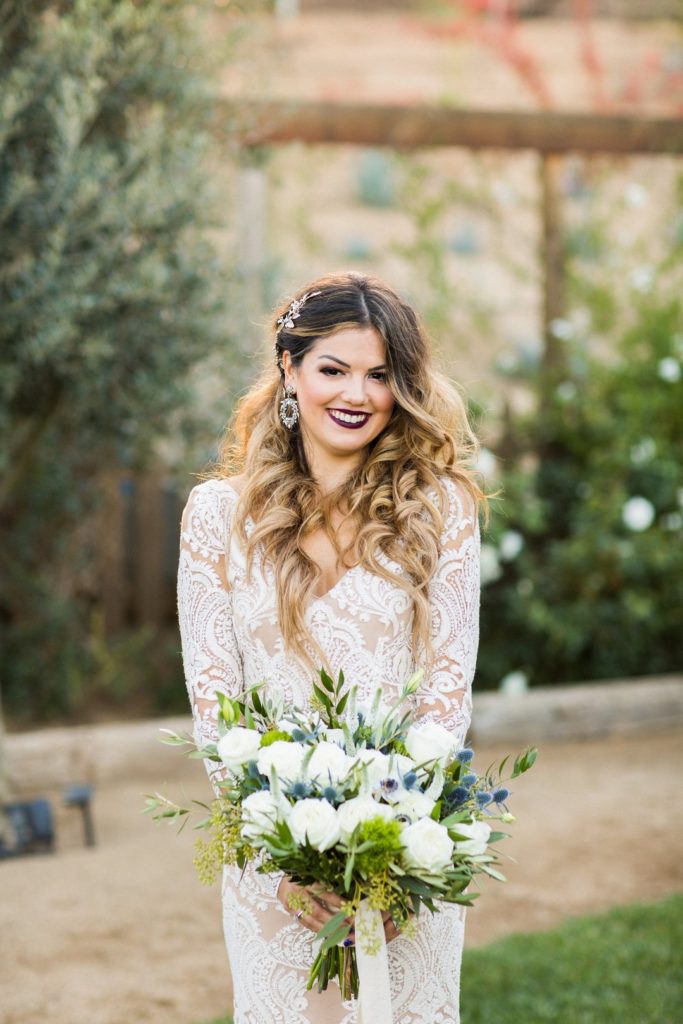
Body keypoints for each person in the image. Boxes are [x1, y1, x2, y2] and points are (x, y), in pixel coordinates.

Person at [177, 271, 486, 1024]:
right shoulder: (218, 516)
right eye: (333, 369)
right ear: (289, 369)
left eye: (380, 374)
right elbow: (215, 706)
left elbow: (446, 692)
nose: (357, 394)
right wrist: (285, 858)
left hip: (404, 859)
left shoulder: (439, 509)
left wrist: (397, 851)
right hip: (270, 863)